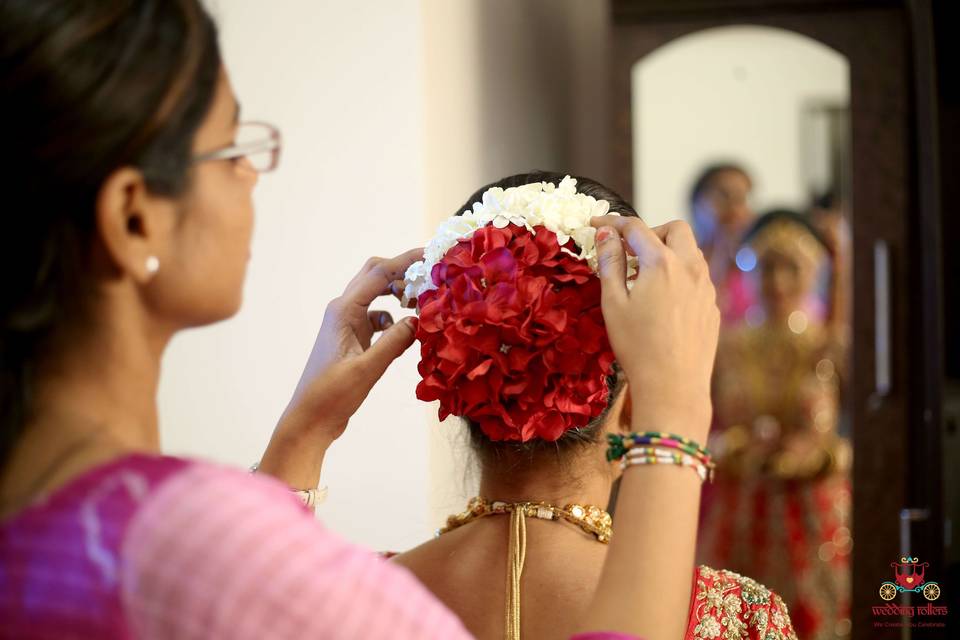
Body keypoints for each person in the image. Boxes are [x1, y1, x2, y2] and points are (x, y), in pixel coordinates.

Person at [1, 2, 722, 639]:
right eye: (233, 149)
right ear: (133, 216)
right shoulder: (179, 543)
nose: (256, 172)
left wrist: (303, 435)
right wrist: (677, 411)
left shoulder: (47, 529)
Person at [393, 173, 797, 640]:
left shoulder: (354, 596)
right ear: (634, 404)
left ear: (459, 378)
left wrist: (305, 434)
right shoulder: (738, 618)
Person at [697, 210, 851, 639]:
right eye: (767, 266)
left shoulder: (829, 344)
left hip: (816, 515)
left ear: (814, 272)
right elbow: (699, 426)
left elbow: (867, 431)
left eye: (792, 267)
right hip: (742, 512)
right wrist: (735, 447)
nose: (778, 281)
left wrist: (815, 453)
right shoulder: (726, 346)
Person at [689, 163, 757, 324]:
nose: (735, 209)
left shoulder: (759, 264)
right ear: (697, 203)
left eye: (742, 199)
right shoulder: (680, 260)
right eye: (724, 196)